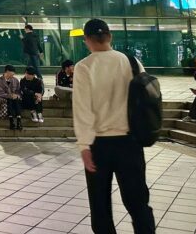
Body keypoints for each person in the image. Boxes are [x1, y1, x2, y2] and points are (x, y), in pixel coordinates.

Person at [73, 18, 155, 234]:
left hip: (98, 145)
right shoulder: (131, 62)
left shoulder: (84, 67)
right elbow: (147, 97)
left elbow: (82, 110)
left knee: (100, 206)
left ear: (86, 40)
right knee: (138, 202)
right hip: (130, 142)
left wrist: (83, 145)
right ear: (110, 36)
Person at [0, 65, 22, 130]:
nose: (13, 75)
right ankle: (12, 120)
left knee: (16, 100)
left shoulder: (15, 80)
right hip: (4, 99)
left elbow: (19, 91)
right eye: (12, 73)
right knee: (10, 100)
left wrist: (17, 95)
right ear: (7, 71)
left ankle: (18, 121)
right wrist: (10, 96)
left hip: (15, 99)